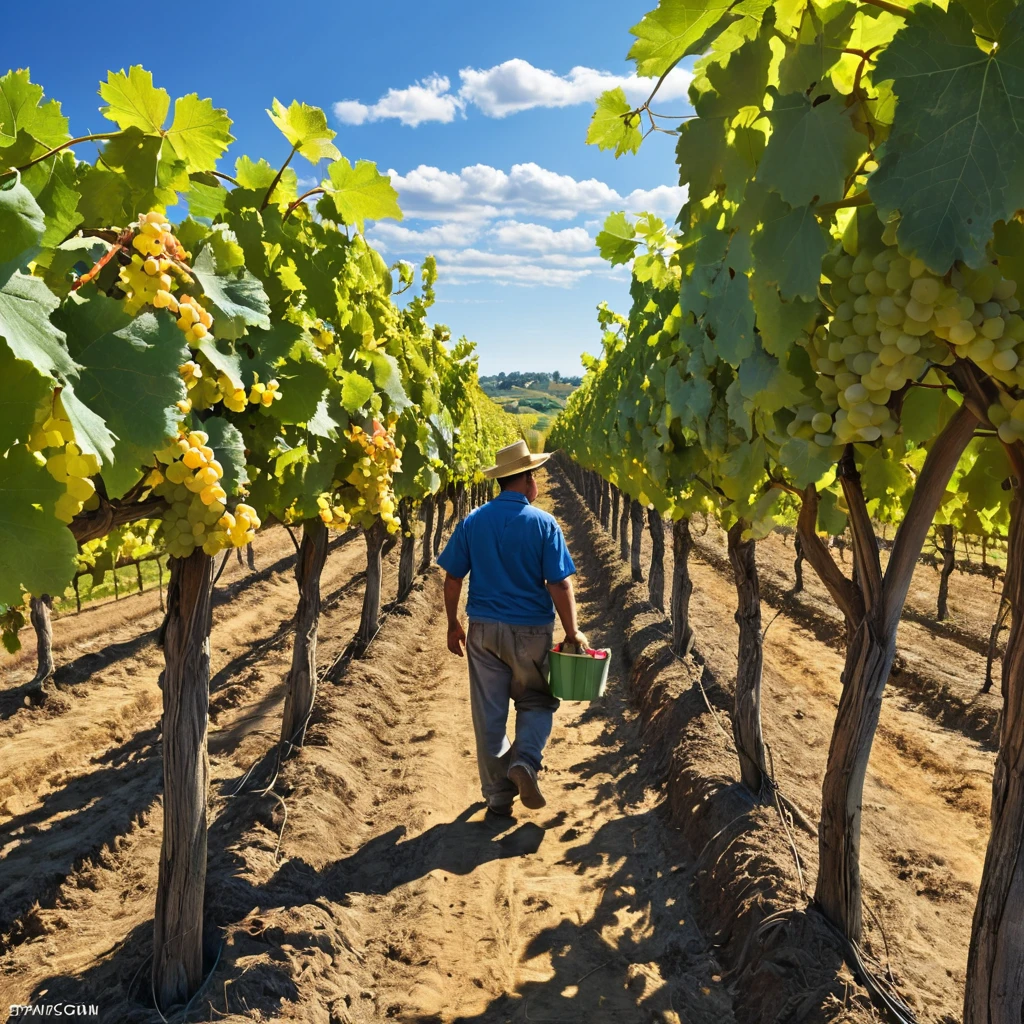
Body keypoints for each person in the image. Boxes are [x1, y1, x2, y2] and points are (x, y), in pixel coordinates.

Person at [438, 440, 586, 817]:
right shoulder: (543, 523)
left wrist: (453, 623)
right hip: (531, 631)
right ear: (527, 480)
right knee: (537, 700)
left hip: (483, 630)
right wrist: (572, 632)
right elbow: (560, 584)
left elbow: (453, 577)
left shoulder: (473, 520)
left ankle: (498, 796)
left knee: (489, 712)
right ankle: (525, 761)